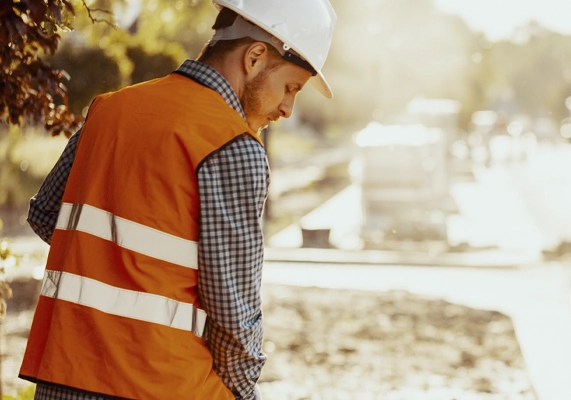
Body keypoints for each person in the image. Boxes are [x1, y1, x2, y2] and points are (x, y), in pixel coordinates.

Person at [19, 1, 337, 398]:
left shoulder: (110, 109)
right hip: (162, 382)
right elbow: (233, 310)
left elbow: (48, 214)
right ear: (255, 57)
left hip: (65, 374)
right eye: (290, 87)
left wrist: (119, 272)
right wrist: (241, 391)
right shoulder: (233, 146)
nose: (288, 109)